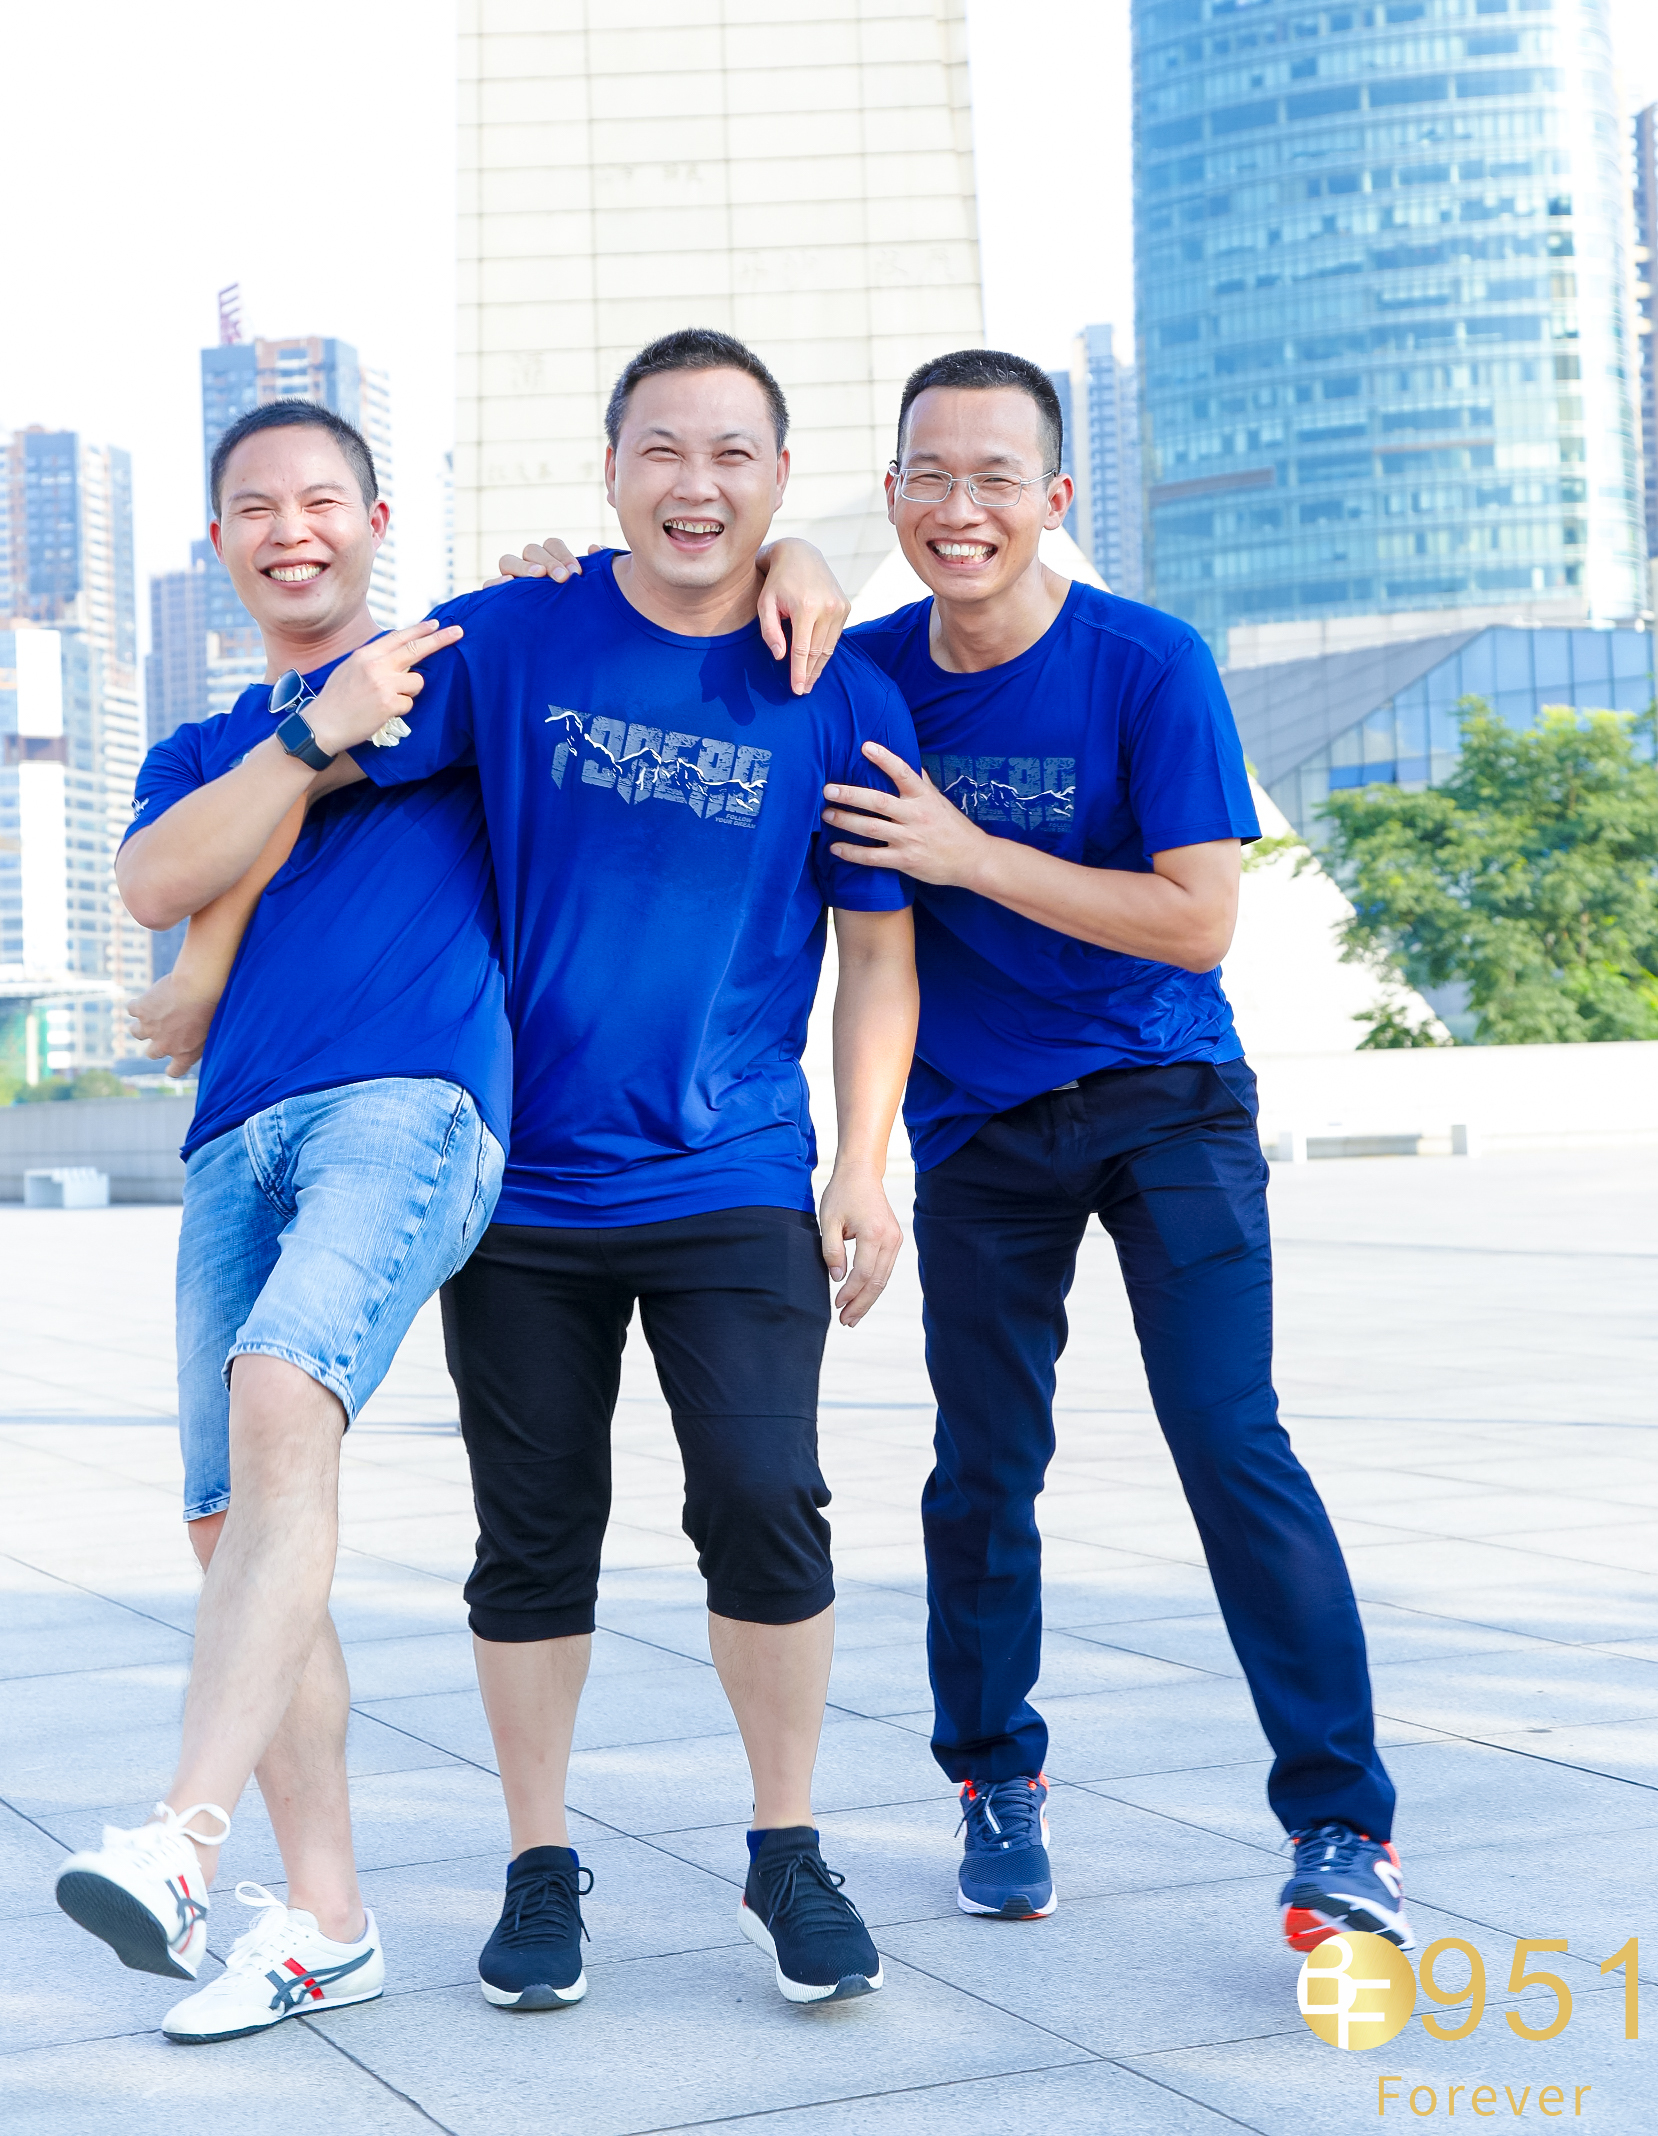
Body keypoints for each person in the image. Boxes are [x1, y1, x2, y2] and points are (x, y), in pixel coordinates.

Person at [513, 347, 1411, 1958]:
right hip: (979, 1127)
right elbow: (706, 593)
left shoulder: (1145, 662)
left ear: (1053, 498)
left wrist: (967, 850)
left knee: (1229, 1438)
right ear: (886, 493)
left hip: (1164, 1097)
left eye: (995, 478)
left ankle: (1339, 1821)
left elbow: (1198, 919)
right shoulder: (852, 669)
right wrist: (733, 557)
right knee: (983, 1466)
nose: (959, 507)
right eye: (927, 476)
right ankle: (995, 1779)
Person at [346, 327, 920, 2012]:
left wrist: (863, 1164)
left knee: (764, 1498)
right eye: (661, 449)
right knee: (532, 1535)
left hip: (730, 1169)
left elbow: (879, 955)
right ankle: (540, 1865)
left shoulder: (836, 688)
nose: (696, 484)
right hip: (519, 1188)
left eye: (733, 454)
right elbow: (329, 754)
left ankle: (785, 1845)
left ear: (779, 478)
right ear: (607, 471)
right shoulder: (514, 636)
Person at [53, 400, 511, 2044]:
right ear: (217, 540)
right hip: (232, 1139)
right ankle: (327, 1924)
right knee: (225, 1520)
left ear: (378, 519)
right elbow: (154, 880)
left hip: (409, 1102)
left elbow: (633, 607)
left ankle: (182, 1843)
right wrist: (312, 733)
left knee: (277, 1391)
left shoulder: (450, 669)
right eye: (256, 506)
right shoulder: (200, 749)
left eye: (324, 500)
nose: (291, 529)